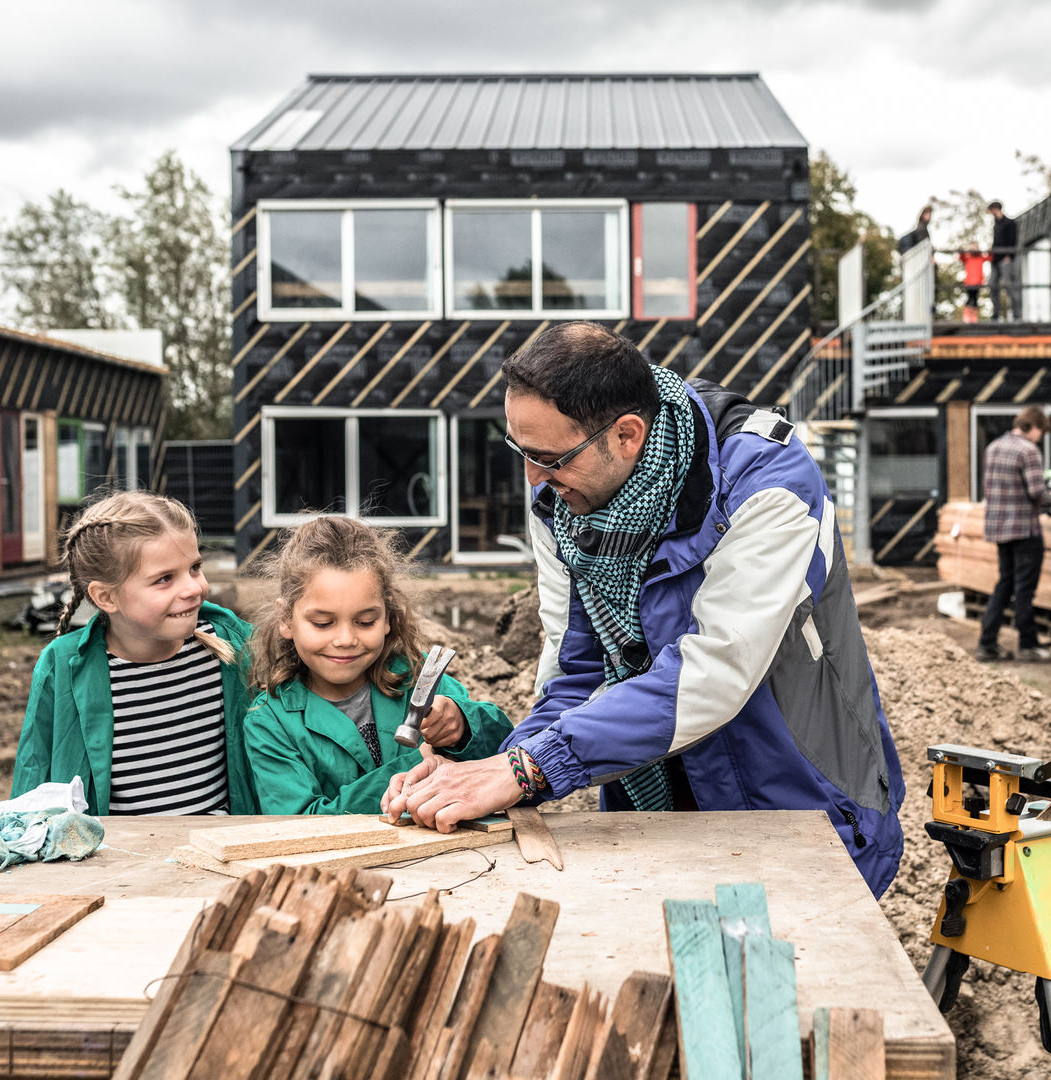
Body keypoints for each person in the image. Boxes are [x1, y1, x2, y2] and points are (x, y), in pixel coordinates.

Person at [381, 322, 906, 898]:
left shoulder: (765, 485)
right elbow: (575, 672)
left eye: (549, 457)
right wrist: (494, 774)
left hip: (800, 799)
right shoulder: (562, 504)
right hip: (654, 807)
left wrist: (524, 770)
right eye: (520, 451)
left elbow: (712, 675)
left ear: (628, 435)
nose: (533, 479)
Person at [242, 516, 514, 815]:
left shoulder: (416, 677)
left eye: (365, 621)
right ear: (285, 619)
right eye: (322, 623)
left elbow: (506, 756)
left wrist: (462, 726)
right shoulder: (270, 722)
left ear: (388, 616)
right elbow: (298, 822)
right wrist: (414, 765)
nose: (346, 639)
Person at [12, 491, 258, 815]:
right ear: (106, 597)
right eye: (164, 579)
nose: (194, 588)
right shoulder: (62, 667)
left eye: (195, 567)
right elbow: (33, 781)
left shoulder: (235, 649)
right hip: (120, 862)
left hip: (217, 857)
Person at [977, 406, 1051, 663]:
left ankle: (987, 643)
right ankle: (1029, 644)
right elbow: (1037, 492)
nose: (1040, 437)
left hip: (1000, 529)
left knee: (1004, 584)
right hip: (1025, 529)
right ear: (1033, 426)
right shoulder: (1028, 451)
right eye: (1041, 432)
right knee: (1025, 589)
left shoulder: (993, 447)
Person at [988, 201, 1021, 320]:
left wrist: (1009, 256)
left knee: (1009, 286)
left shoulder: (1009, 223)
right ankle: (995, 314)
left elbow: (1013, 241)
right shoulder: (996, 224)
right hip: (995, 260)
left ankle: (1016, 314)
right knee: (992, 285)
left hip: (1005, 259)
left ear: (996, 209)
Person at [958, 247, 990, 323]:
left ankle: (973, 317)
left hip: (978, 282)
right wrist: (961, 251)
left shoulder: (980, 258)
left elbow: (989, 257)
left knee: (975, 299)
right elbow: (961, 257)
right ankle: (967, 316)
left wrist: (989, 250)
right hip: (969, 282)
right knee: (970, 298)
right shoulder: (968, 258)